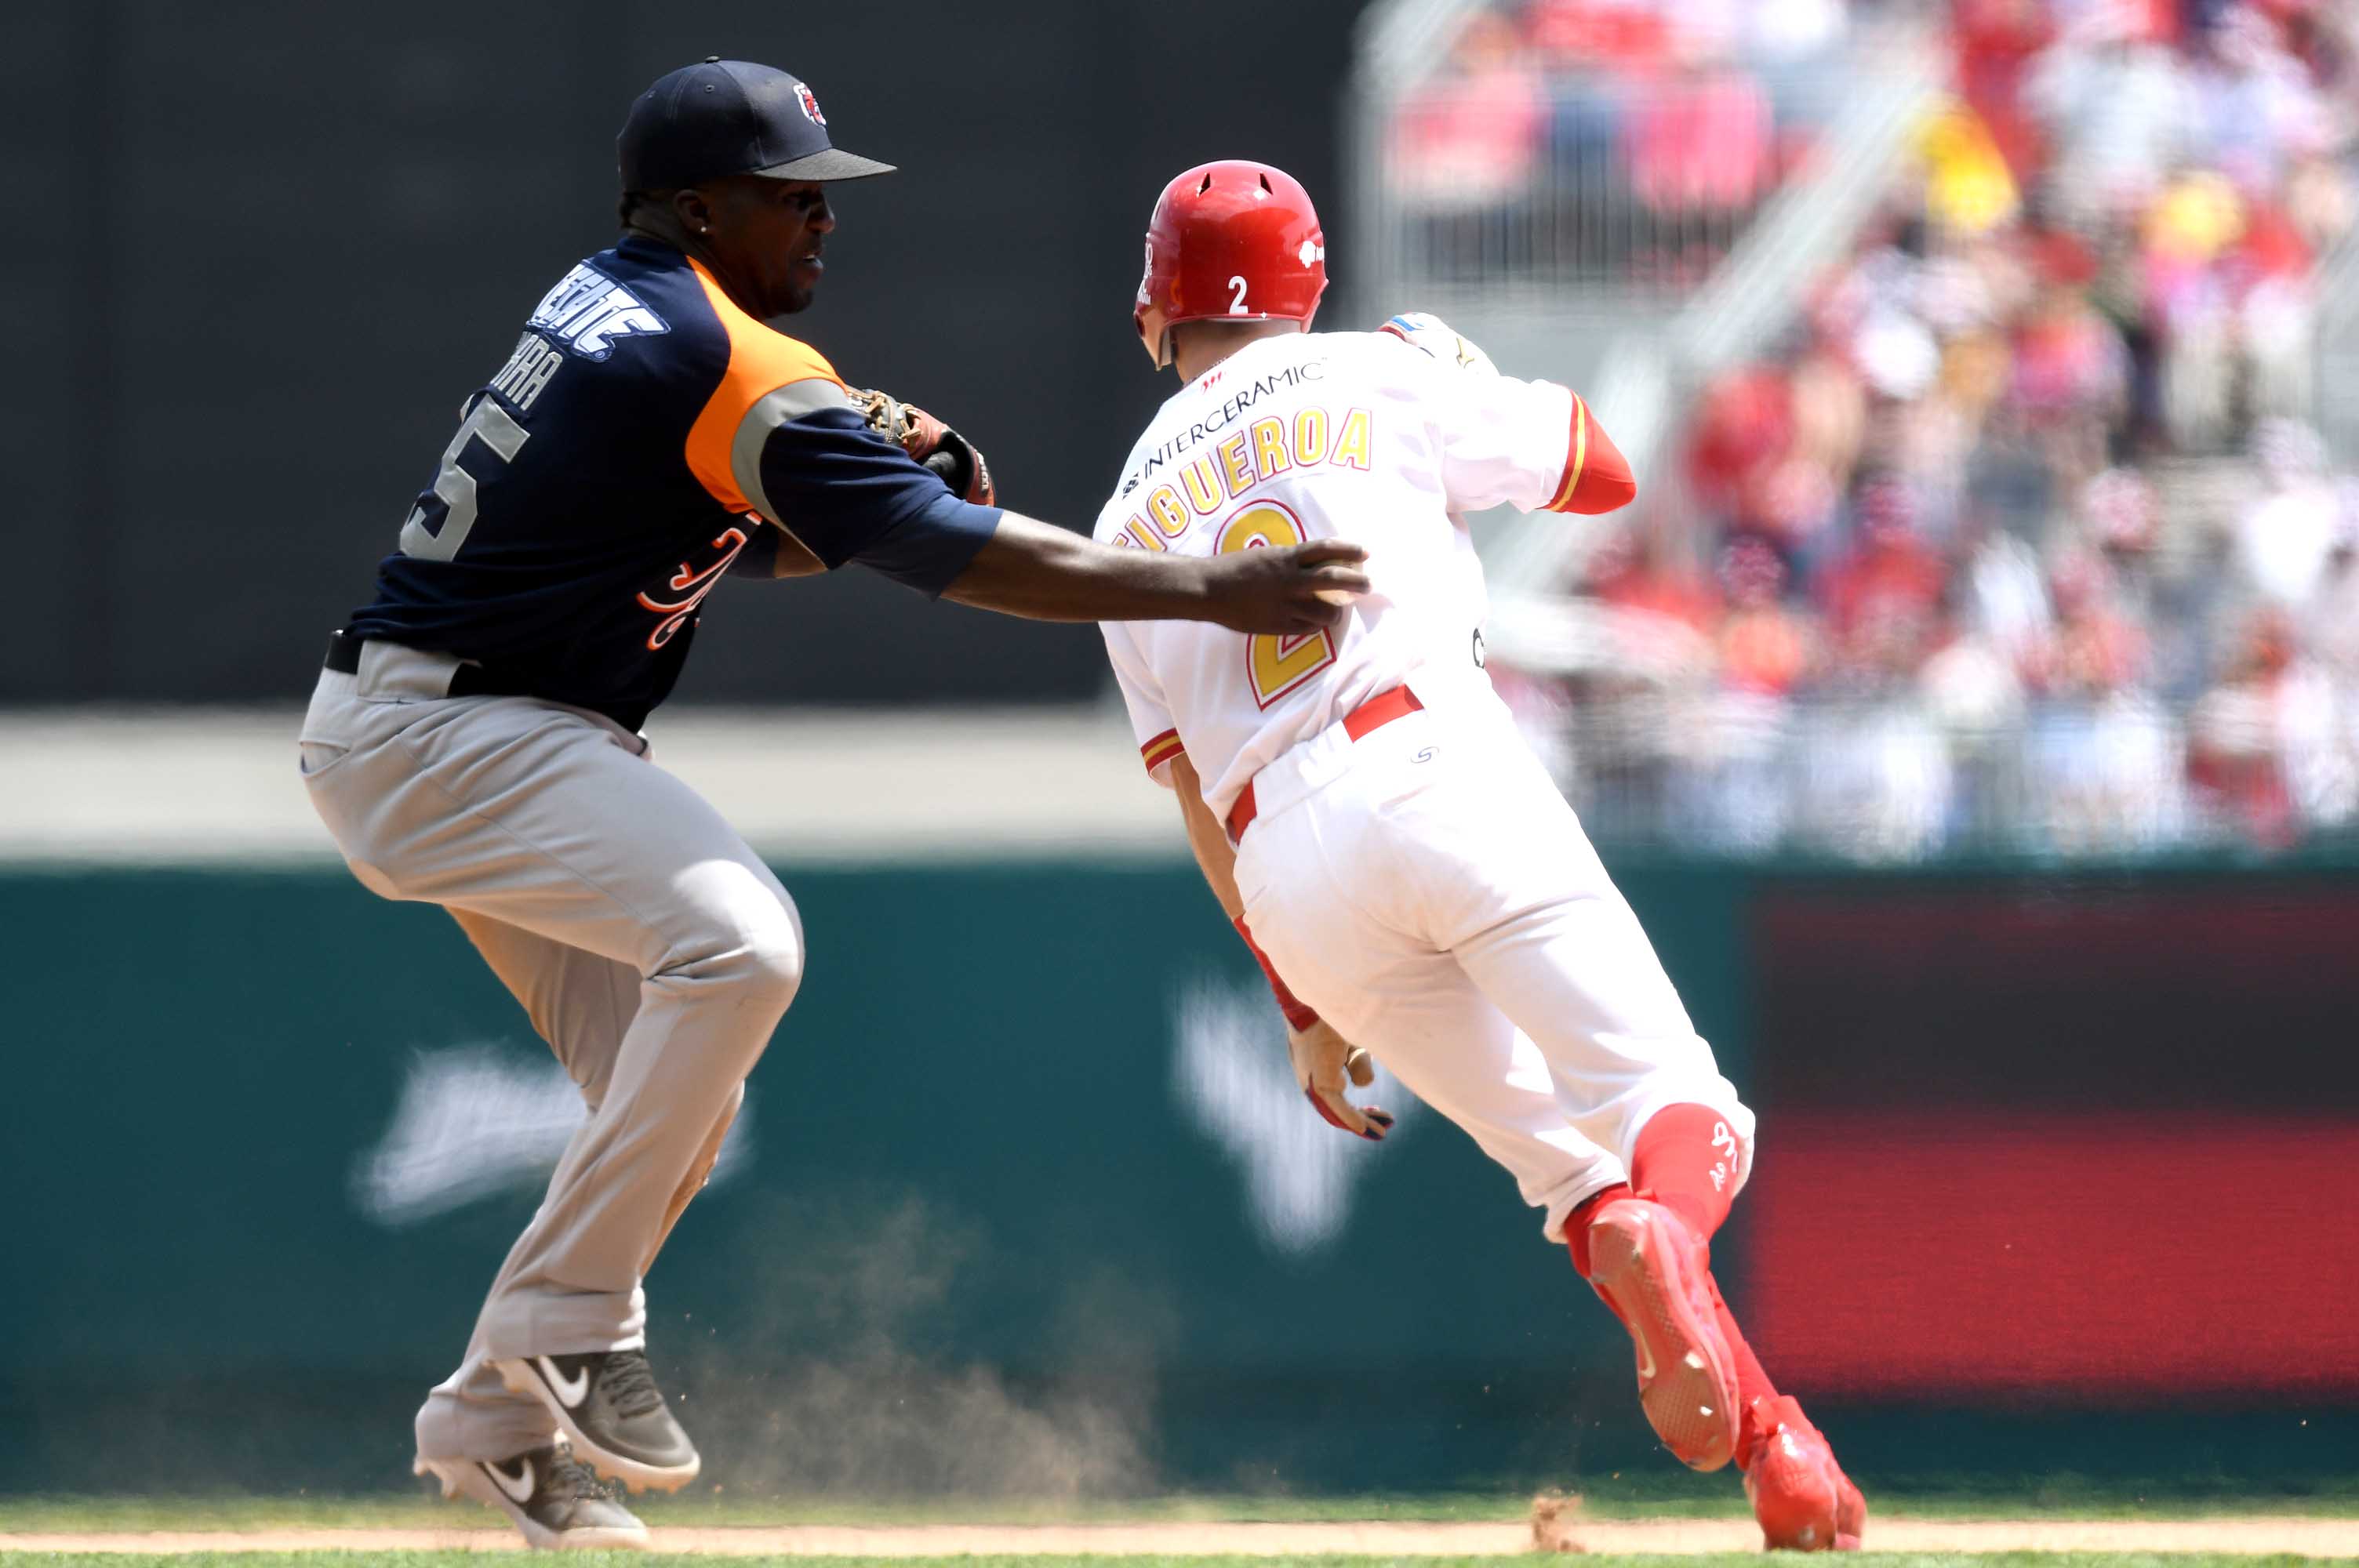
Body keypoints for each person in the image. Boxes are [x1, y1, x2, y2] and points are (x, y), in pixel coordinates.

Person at [299, 67, 1367, 1550]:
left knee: (683, 1094)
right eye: (786, 192)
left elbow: (713, 541)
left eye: (824, 190)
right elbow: (950, 553)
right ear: (691, 209)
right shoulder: (718, 357)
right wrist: (1207, 584)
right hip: (459, 730)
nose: (819, 217)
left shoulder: (614, 307)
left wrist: (853, 493)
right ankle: (571, 1321)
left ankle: (491, 1417)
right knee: (741, 947)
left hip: (448, 725)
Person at [1093, 160, 1866, 1551]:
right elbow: (1603, 472)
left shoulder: (1119, 519)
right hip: (1428, 757)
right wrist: (1458, 365)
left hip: (1290, 873)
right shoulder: (1370, 372)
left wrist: (1304, 1010)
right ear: (1306, 281)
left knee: (1581, 1181)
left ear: (1160, 310)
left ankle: (1780, 1457)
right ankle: (1693, 1279)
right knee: (1686, 1121)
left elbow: (1198, 806)